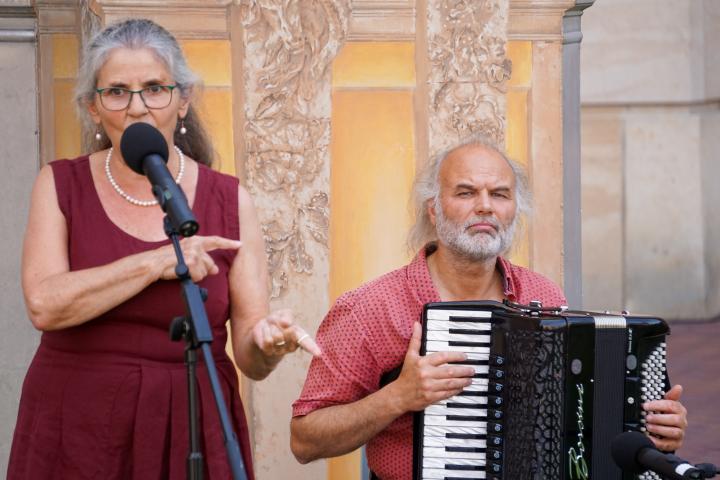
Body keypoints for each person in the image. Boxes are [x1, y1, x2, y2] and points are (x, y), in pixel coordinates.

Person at [7, 18, 320, 480]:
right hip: (76, 421)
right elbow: (45, 305)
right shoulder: (59, 183)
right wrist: (158, 261)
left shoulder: (230, 198)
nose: (137, 108)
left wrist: (269, 344)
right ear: (93, 108)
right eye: (117, 91)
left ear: (183, 100)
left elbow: (251, 357)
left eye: (155, 88)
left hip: (190, 421)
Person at [289, 138, 688, 479]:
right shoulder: (372, 308)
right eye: (465, 193)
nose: (485, 206)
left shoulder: (543, 294)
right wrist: (398, 397)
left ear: (515, 209)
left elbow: (577, 421)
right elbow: (304, 439)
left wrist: (651, 431)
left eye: (499, 194)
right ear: (434, 209)